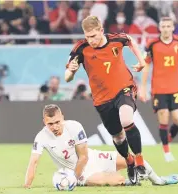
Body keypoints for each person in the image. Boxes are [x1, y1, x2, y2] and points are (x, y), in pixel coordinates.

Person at [65, 15, 147, 184]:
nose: (91, 40)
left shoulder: (116, 39)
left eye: (94, 36)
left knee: (126, 119)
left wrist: (141, 62)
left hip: (123, 88)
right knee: (117, 137)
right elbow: (67, 77)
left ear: (101, 30)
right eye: (88, 37)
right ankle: (129, 160)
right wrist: (72, 71)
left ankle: (139, 160)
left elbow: (130, 40)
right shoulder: (81, 48)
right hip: (102, 99)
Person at [24, 104, 178, 190]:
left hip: (91, 159)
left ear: (62, 118)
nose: (55, 126)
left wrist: (72, 178)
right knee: (117, 179)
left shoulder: (74, 127)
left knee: (132, 160)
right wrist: (27, 185)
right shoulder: (41, 137)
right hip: (81, 173)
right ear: (44, 122)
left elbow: (84, 156)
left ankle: (158, 180)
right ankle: (129, 181)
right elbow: (33, 163)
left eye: (57, 122)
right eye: (50, 124)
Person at [138, 17, 178, 162]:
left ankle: (166, 140)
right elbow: (146, 65)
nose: (166, 29)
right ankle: (167, 152)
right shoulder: (152, 44)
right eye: (163, 26)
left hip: (175, 88)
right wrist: (143, 87)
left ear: (173, 28)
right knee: (163, 116)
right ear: (159, 28)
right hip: (158, 88)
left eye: (168, 26)